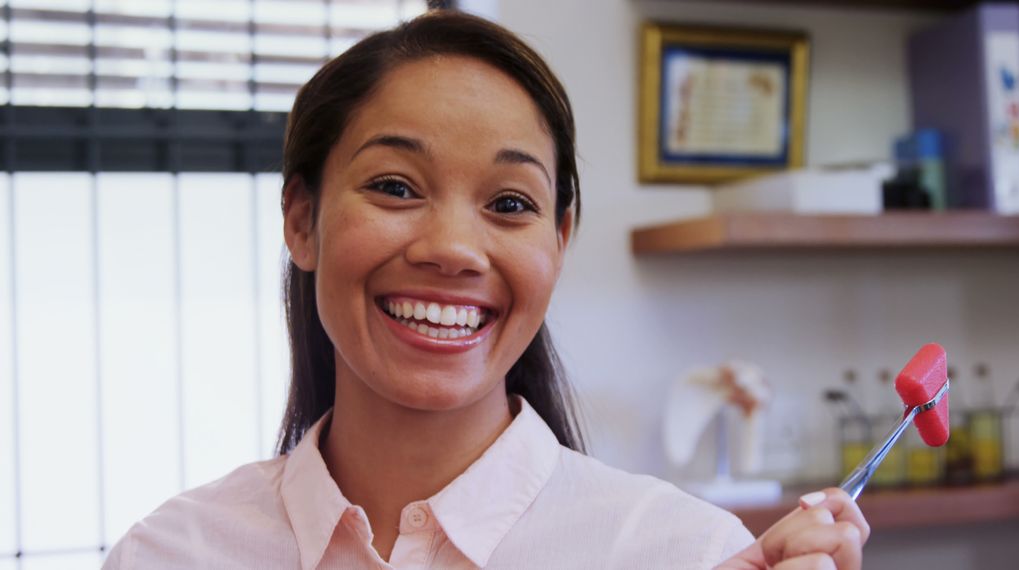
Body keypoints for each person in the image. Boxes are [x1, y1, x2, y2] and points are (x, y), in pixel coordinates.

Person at [104, 10, 868, 569]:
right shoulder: (170, 554)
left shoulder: (689, 554)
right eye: (396, 186)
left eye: (509, 204)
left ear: (559, 241)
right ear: (302, 219)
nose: (453, 250)